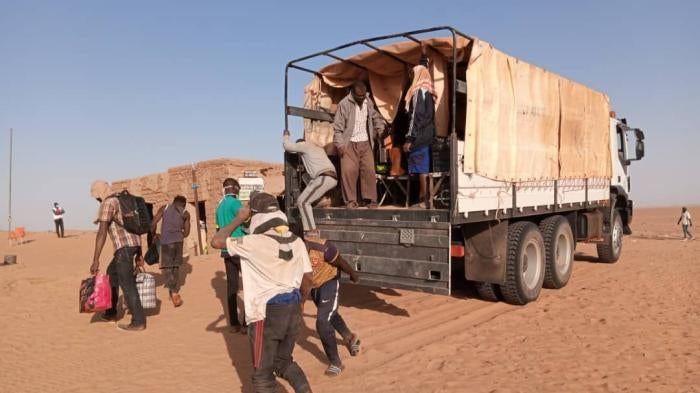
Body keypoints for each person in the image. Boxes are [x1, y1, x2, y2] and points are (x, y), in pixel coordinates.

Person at [211, 192, 313, 393]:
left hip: (264, 315)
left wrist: (238, 218)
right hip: (292, 309)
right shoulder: (297, 241)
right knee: (284, 363)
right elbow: (308, 280)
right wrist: (300, 304)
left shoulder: (253, 243)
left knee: (262, 378)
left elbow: (217, 241)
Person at [89, 180, 146, 331]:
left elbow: (102, 232)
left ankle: (138, 321)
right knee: (112, 274)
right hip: (133, 245)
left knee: (127, 284)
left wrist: (95, 260)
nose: (97, 199)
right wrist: (139, 253)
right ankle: (111, 312)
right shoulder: (122, 201)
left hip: (123, 249)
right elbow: (135, 228)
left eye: (96, 196)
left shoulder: (108, 203)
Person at [303, 236, 361, 376]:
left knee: (322, 322)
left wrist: (352, 274)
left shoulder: (322, 247)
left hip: (330, 282)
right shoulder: (291, 250)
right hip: (315, 287)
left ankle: (336, 362)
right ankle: (350, 337)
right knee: (331, 315)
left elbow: (339, 261)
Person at [333, 80, 387, 208]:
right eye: (359, 96)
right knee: (348, 171)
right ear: (353, 93)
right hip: (349, 142)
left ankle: (370, 200)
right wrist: (340, 145)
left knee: (368, 170)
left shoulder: (368, 102)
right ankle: (350, 201)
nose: (362, 98)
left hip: (365, 141)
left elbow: (375, 117)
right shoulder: (344, 104)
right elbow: (338, 128)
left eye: (363, 96)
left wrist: (380, 129)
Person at [283, 129, 338, 235]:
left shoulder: (303, 145)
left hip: (324, 177)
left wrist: (286, 136)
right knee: (308, 199)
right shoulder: (317, 149)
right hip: (329, 177)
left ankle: (310, 230)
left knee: (302, 202)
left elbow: (288, 147)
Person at [215, 178, 247, 333]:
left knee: (232, 287)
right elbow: (245, 220)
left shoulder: (219, 206)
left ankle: (234, 323)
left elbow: (218, 228)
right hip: (239, 247)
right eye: (238, 189)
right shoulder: (236, 204)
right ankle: (247, 323)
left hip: (226, 249)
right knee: (248, 285)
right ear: (234, 188)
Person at [403, 64, 436, 209]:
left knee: (421, 170)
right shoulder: (428, 91)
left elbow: (416, 117)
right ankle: (426, 201)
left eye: (413, 73)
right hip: (427, 135)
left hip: (419, 137)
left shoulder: (418, 92)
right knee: (425, 170)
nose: (411, 76)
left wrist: (409, 139)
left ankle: (424, 201)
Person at [151, 195, 191, 307]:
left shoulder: (165, 208)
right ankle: (173, 292)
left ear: (173, 202)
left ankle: (173, 292)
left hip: (166, 242)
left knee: (168, 267)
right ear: (184, 204)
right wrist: (179, 235)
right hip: (178, 242)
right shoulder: (186, 213)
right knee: (175, 267)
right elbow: (187, 232)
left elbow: (153, 223)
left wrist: (154, 235)